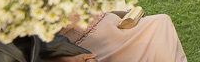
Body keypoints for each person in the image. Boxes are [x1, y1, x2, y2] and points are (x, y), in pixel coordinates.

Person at [58, 10, 188, 62]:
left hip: (119, 28)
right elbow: (44, 48)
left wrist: (128, 13)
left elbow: (96, 9)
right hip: (100, 44)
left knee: (161, 22)